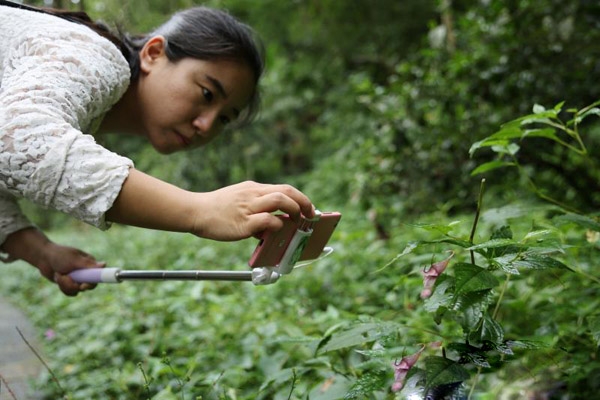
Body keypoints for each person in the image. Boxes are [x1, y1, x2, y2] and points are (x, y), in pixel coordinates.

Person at [0, 1, 315, 296]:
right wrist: (199, 210)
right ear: (153, 54)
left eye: (224, 119)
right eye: (206, 93)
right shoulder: (92, 55)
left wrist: (42, 252)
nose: (206, 125)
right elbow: (17, 136)